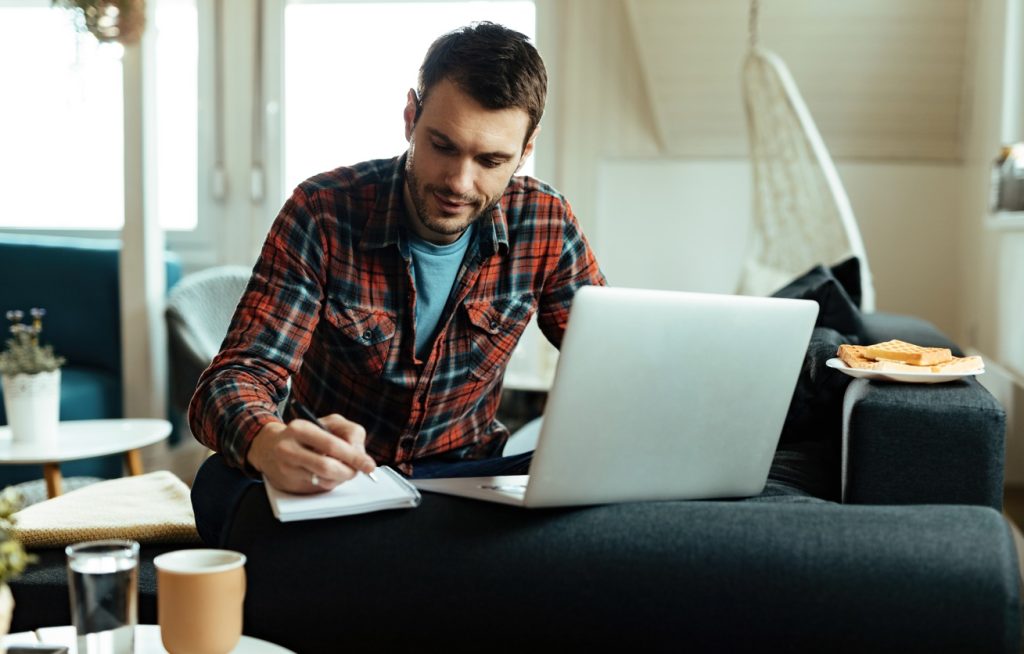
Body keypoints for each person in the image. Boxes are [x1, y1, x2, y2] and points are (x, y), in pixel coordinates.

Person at [189, 22, 606, 544]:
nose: (459, 182)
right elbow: (231, 381)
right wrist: (268, 442)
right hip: (336, 485)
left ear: (525, 150)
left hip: (465, 483)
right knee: (217, 483)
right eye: (443, 145)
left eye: (491, 161)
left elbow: (612, 369)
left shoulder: (544, 222)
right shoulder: (322, 212)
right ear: (411, 116)